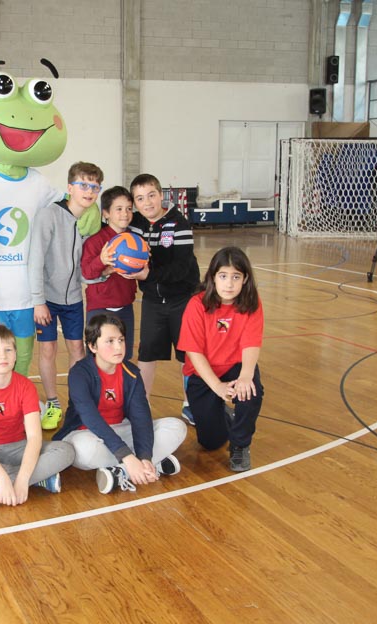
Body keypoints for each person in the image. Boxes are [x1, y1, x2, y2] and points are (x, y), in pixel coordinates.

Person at [54, 314, 186, 493]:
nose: (118, 347)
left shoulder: (131, 373)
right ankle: (150, 464)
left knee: (177, 426)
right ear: (93, 346)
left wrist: (145, 456)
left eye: (121, 340)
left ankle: (125, 471)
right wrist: (126, 455)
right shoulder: (79, 374)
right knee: (84, 450)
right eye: (110, 341)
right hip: (88, 434)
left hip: (121, 429)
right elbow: (91, 419)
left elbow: (141, 417)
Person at [0, 325, 75, 509]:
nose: (2, 356)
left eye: (8, 350)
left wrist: (23, 479)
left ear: (15, 355)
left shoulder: (26, 386)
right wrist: (3, 478)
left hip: (19, 448)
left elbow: (34, 437)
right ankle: (36, 480)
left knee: (66, 451)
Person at [29, 162, 102, 429]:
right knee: (48, 349)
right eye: (84, 185)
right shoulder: (49, 215)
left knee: (77, 350)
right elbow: (35, 260)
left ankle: (77, 403)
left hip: (73, 298)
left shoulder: (89, 221)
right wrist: (38, 301)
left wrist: (101, 274)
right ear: (70, 187)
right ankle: (52, 403)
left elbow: (83, 264)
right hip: (47, 299)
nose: (89, 191)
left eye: (94, 187)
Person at [178, 247, 264, 473]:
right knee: (211, 442)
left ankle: (240, 445)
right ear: (212, 277)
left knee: (251, 390)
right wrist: (217, 386)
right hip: (203, 374)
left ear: (245, 279)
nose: (229, 284)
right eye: (223, 276)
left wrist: (246, 376)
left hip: (235, 366)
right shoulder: (197, 304)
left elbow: (251, 343)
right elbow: (194, 352)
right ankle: (224, 414)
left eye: (236, 277)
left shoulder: (251, 303)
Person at [128, 173, 200, 417]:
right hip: (152, 301)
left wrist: (149, 275)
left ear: (161, 195)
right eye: (140, 198)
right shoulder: (135, 225)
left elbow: (181, 268)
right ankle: (142, 404)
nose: (147, 202)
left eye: (151, 195)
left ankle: (191, 404)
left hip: (183, 299)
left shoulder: (179, 223)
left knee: (187, 355)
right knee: (147, 353)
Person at [81, 185, 139, 361]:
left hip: (125, 307)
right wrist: (101, 260)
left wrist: (144, 260)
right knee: (97, 358)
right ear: (106, 213)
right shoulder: (95, 241)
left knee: (123, 356)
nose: (125, 214)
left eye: (129, 209)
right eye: (119, 209)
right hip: (99, 309)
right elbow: (87, 273)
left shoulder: (136, 240)